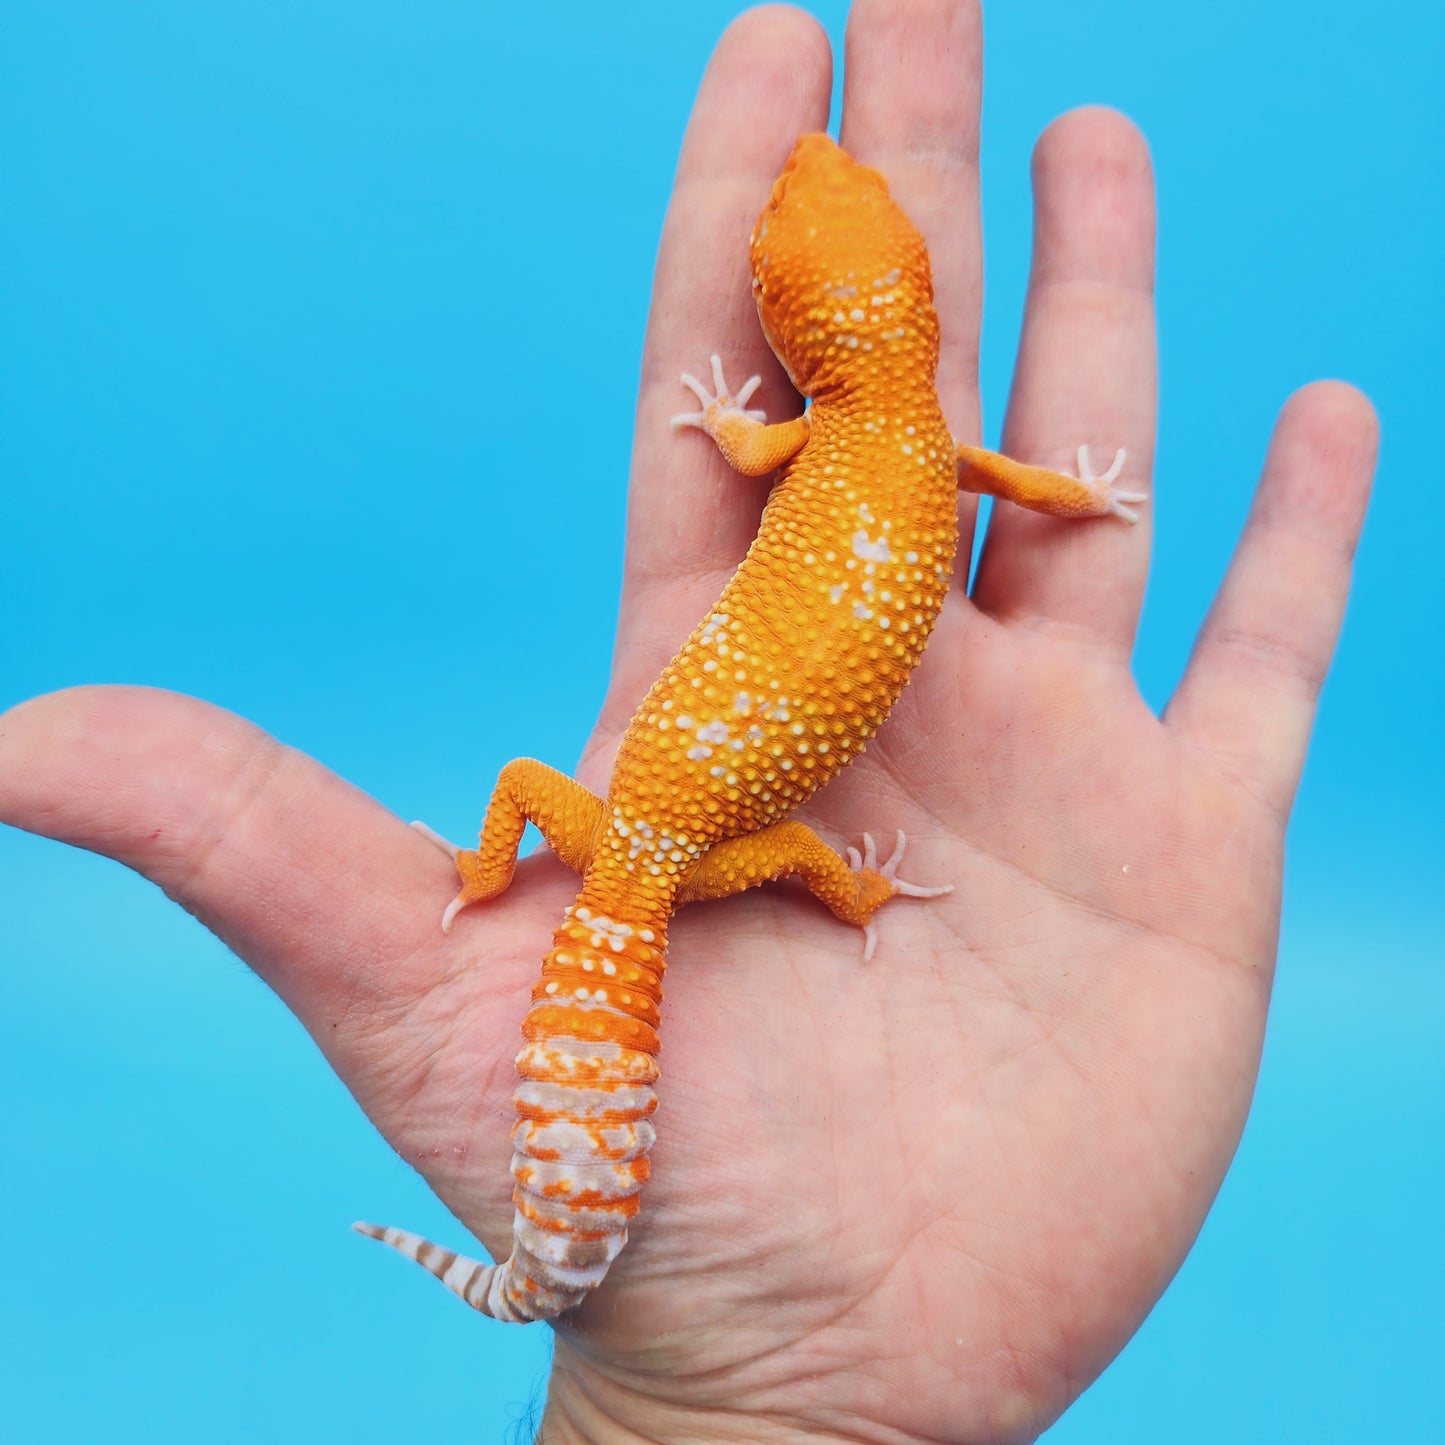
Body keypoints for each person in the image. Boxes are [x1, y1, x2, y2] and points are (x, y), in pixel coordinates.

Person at [0, 0, 1376, 1439]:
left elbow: (745, 454)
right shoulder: (913, 434)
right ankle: (817, 906)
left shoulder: (827, 431)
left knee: (581, 802)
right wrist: (1077, 497)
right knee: (748, 847)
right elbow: (1001, 479)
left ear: (801, 321)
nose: (797, 183)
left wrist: (494, 875)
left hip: (662, 835)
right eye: (788, 214)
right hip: (684, 843)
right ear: (902, 297)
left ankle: (531, 904)